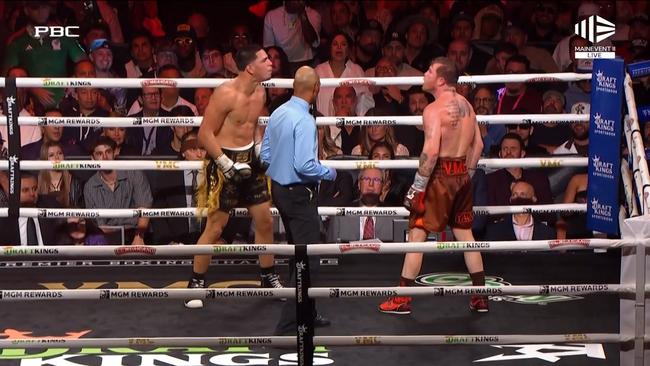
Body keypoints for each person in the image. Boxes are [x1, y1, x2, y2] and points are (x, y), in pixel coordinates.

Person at [379, 57, 488, 314]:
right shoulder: (468, 106)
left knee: (417, 233)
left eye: (428, 69)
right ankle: (480, 297)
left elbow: (431, 149)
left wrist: (417, 186)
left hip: (439, 176)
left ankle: (402, 299)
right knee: (465, 235)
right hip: (461, 172)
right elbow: (479, 145)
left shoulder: (433, 110)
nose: (424, 73)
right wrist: (466, 174)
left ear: (440, 79)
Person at [186, 45, 281, 309]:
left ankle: (268, 276)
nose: (271, 63)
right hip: (222, 159)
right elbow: (205, 134)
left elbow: (254, 125)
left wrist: (260, 147)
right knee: (215, 227)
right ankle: (196, 281)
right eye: (265, 60)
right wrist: (225, 163)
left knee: (264, 220)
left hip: (250, 159)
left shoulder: (261, 91)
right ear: (251, 67)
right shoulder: (225, 94)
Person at [261, 66, 336, 340]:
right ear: (316, 90)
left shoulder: (278, 112)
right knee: (308, 261)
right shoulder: (304, 120)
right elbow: (305, 165)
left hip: (280, 191)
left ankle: (308, 313)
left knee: (297, 254)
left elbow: (265, 154)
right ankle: (289, 325)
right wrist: (329, 172)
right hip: (298, 193)